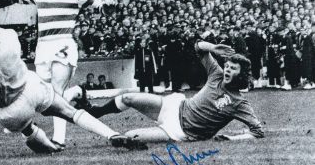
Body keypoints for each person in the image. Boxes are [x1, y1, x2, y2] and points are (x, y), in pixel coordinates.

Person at [0, 19, 145, 153]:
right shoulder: (9, 42)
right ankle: (112, 134)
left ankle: (50, 146)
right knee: (71, 113)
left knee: (27, 129)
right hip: (31, 87)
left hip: (10, 112)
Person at [0, 0, 115, 150]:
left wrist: (108, 6)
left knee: (56, 93)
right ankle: (77, 92)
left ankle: (59, 140)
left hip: (63, 44)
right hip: (43, 46)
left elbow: (99, 7)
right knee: (45, 99)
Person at [88, 40, 265, 143]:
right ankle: (96, 112)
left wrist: (231, 138)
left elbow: (258, 131)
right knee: (127, 98)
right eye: (227, 66)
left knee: (129, 137)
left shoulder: (239, 102)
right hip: (176, 107)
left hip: (182, 130)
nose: (227, 70)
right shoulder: (216, 74)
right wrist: (212, 47)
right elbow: (197, 47)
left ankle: (110, 132)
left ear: (241, 74)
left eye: (233, 68)